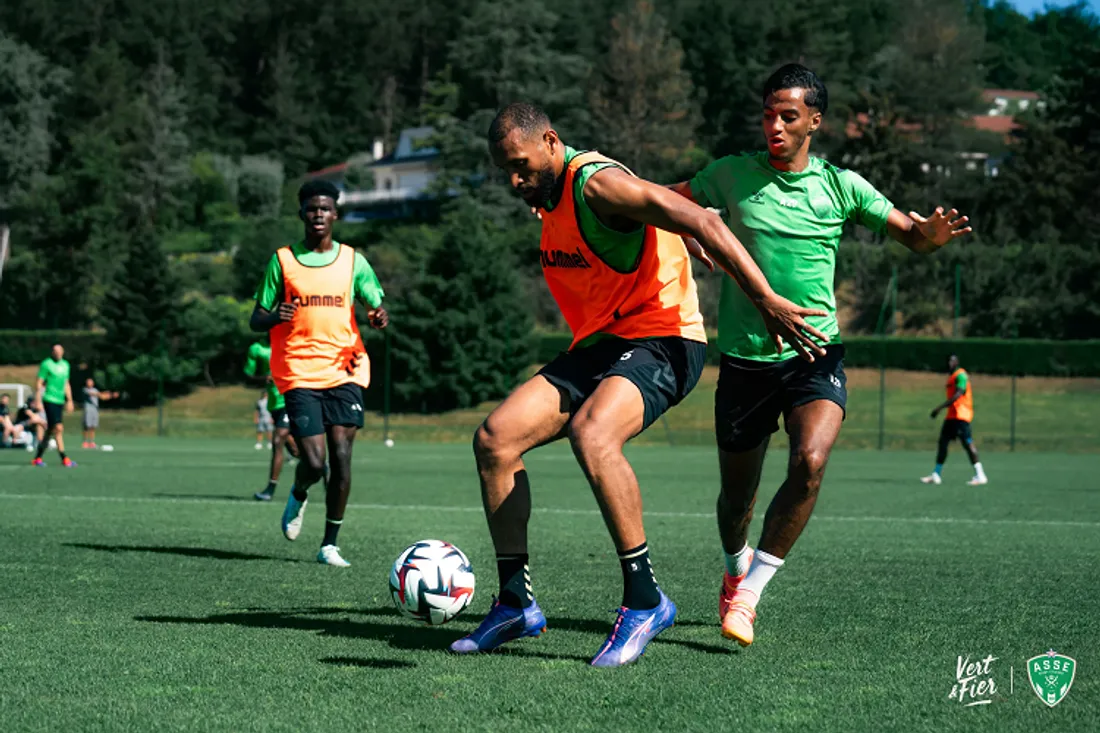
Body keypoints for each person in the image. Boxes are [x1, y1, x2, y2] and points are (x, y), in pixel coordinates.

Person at [449, 102, 827, 668]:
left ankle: (646, 601)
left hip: (665, 338)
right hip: (603, 344)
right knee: (495, 440)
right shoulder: (551, 192)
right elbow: (654, 214)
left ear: (551, 142)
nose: (514, 180)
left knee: (594, 434)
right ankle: (514, 605)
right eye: (505, 169)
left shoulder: (597, 185)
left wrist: (765, 299)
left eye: (521, 165)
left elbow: (704, 220)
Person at [667, 64, 973, 648]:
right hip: (745, 361)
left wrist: (929, 237)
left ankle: (749, 595)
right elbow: (659, 202)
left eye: (788, 116)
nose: (775, 126)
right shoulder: (730, 174)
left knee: (809, 462)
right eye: (768, 115)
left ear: (815, 121)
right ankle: (734, 567)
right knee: (737, 502)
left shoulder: (843, 186)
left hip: (816, 354)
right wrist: (673, 228)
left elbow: (909, 233)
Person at [249, 180, 388, 567]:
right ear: (302, 214)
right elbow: (256, 318)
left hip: (345, 368)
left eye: (325, 208)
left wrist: (378, 316)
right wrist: (275, 315)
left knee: (341, 455)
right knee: (314, 463)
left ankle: (329, 544)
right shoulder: (283, 261)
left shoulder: (353, 260)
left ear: (335, 214)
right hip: (298, 371)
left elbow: (376, 307)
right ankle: (298, 491)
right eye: (312, 209)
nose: (318, 215)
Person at [243, 337, 301, 501]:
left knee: (277, 439)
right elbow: (248, 375)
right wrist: (264, 378)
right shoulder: (257, 348)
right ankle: (321, 466)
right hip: (274, 403)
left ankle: (270, 489)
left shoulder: (292, 341)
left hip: (291, 399)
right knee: (295, 450)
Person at [922, 354, 987, 486]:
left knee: (967, 443)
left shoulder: (961, 375)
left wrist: (940, 408)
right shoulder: (952, 376)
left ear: (957, 362)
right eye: (948, 361)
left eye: (952, 361)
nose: (949, 363)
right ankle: (936, 474)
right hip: (952, 416)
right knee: (943, 442)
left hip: (961, 415)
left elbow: (959, 393)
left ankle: (980, 475)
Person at [31, 344, 76, 467]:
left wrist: (70, 400)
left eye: (59, 351)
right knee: (58, 428)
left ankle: (38, 457)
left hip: (59, 400)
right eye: (55, 351)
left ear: (63, 352)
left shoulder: (66, 365)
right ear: (52, 352)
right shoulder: (46, 364)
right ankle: (64, 457)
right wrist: (38, 400)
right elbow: (39, 383)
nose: (57, 353)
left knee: (51, 430)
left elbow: (66, 383)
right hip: (49, 399)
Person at [81, 378, 118, 449]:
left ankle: (91, 442)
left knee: (93, 426)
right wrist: (102, 393)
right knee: (86, 426)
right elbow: (94, 394)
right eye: (88, 382)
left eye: (91, 382)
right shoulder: (85, 390)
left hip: (95, 410)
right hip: (88, 410)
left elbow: (103, 397)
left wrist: (112, 395)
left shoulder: (95, 390)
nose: (89, 383)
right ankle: (85, 442)